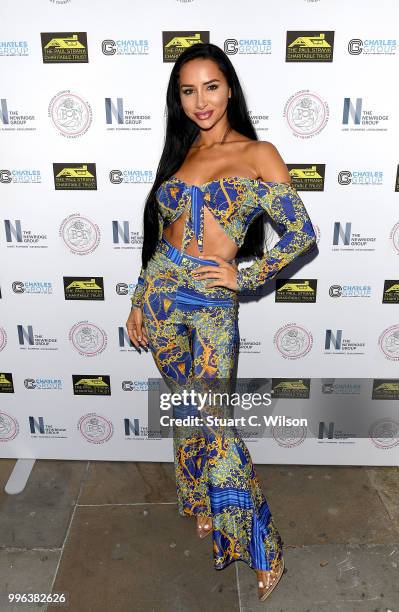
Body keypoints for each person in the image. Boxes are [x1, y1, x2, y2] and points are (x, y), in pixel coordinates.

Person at [126, 42, 317, 602]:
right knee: (184, 409)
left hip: (211, 304)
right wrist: (140, 299)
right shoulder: (180, 155)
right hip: (161, 296)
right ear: (178, 98)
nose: (200, 100)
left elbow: (302, 237)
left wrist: (248, 276)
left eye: (211, 86)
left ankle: (264, 546)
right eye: (188, 90)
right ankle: (199, 500)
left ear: (229, 87)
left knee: (215, 421)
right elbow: (161, 242)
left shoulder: (259, 153)